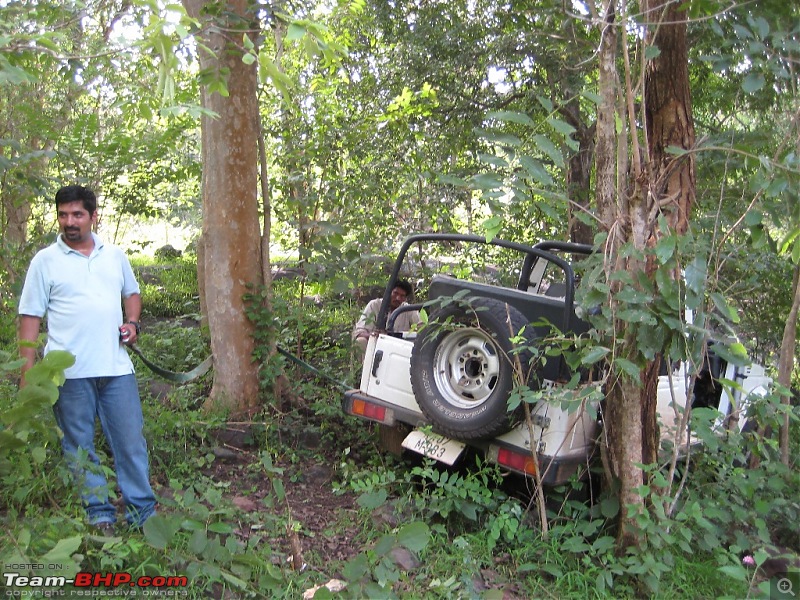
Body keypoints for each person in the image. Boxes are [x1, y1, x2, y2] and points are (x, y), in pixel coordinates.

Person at [18, 185, 156, 534]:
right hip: (69, 375)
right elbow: (30, 318)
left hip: (116, 369)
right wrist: (27, 372)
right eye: (63, 214)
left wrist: (132, 323)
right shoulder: (44, 261)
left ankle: (143, 512)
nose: (69, 221)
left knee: (130, 442)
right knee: (79, 446)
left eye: (77, 214)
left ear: (94, 216)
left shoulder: (114, 256)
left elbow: (133, 293)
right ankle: (99, 513)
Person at [353, 279, 421, 351]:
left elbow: (422, 327)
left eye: (402, 296)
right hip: (375, 347)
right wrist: (374, 335)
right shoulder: (374, 305)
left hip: (400, 348)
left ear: (405, 298)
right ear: (389, 292)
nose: (398, 298)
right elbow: (359, 332)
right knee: (360, 341)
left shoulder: (408, 309)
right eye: (395, 293)